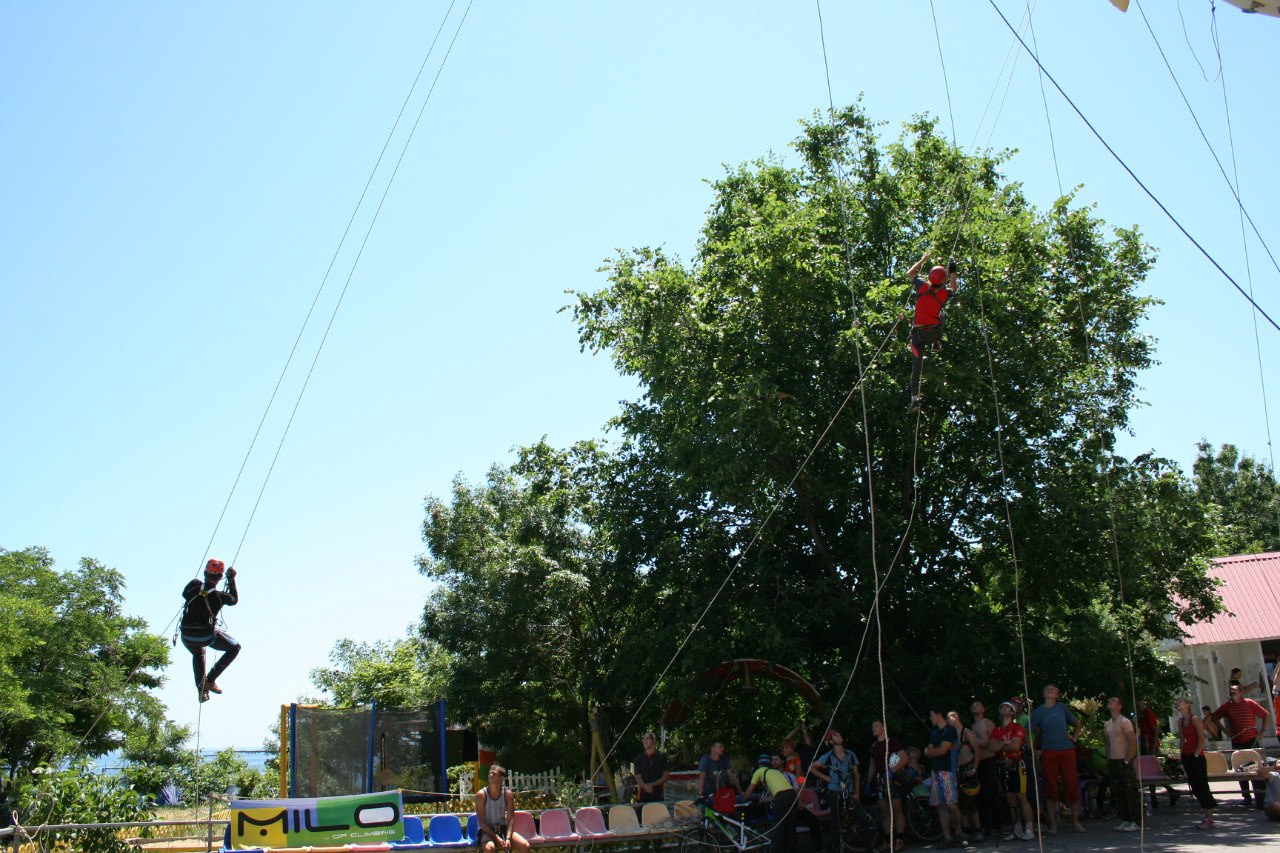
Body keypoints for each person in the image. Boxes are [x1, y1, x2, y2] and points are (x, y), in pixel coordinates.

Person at [902, 251, 958, 411]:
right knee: (943, 314)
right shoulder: (943, 294)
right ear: (943, 280)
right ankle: (936, 342)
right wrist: (953, 274)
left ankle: (914, 400)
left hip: (917, 336)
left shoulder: (923, 286)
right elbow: (953, 288)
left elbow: (910, 273)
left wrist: (923, 259)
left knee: (916, 369)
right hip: (933, 332)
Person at [180, 559, 240, 702]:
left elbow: (184, 594)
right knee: (235, 648)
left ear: (205, 573)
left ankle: (202, 691)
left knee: (198, 653)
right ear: (220, 578)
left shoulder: (193, 586)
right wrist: (231, 580)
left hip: (186, 635)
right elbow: (234, 600)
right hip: (205, 636)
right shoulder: (220, 597)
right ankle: (210, 680)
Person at [1029, 684, 1083, 834]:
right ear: (1043, 693)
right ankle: (1053, 824)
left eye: (1053, 689)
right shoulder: (1037, 712)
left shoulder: (1062, 707)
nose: (1050, 690)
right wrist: (1033, 748)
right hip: (1048, 751)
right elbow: (1031, 732)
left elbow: (1077, 723)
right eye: (1047, 689)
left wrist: (1075, 738)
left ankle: (1076, 822)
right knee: (1050, 785)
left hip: (1066, 749)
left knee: (1071, 783)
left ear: (1057, 695)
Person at [743, 754, 815, 853]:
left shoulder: (759, 771)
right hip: (792, 795)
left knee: (780, 828)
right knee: (790, 827)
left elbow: (749, 792)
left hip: (782, 797)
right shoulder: (775, 772)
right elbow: (783, 790)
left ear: (759, 764)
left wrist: (741, 800)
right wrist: (764, 799)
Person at [1213, 685, 1271, 807]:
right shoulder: (1227, 706)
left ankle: (1259, 796)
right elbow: (1214, 717)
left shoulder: (1249, 703)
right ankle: (1246, 796)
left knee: (1255, 767)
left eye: (1234, 691)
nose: (1232, 693)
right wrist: (1224, 730)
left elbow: (1266, 714)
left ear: (1240, 692)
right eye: (1230, 691)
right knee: (1239, 768)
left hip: (1251, 739)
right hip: (1237, 739)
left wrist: (1263, 730)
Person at [991, 701, 1034, 841]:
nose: (1004, 708)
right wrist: (1005, 743)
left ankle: (1029, 829)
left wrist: (1000, 745)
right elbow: (992, 748)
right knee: (1010, 798)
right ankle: (1017, 829)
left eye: (1007, 707)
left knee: (1022, 797)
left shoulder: (1017, 727)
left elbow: (1015, 746)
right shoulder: (996, 730)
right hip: (1003, 765)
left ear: (1012, 712)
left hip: (1017, 764)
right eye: (1001, 706)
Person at [1175, 697, 1217, 830]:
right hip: (1187, 755)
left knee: (1202, 786)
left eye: (1180, 701)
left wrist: (1195, 754)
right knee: (1195, 788)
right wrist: (1182, 755)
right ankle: (1206, 816)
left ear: (1187, 705)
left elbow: (1202, 738)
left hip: (1197, 756)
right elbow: (1182, 738)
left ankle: (1210, 818)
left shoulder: (1195, 719)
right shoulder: (1181, 721)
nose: (1177, 703)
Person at [924, 708, 963, 848]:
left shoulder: (950, 730)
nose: (930, 718)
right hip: (935, 772)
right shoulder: (934, 733)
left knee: (951, 804)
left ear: (939, 715)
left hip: (948, 771)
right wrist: (933, 751)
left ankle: (959, 832)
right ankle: (947, 837)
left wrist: (932, 751)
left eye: (931, 715)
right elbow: (927, 752)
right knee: (941, 805)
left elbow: (942, 750)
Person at [867, 721, 907, 853]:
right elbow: (872, 765)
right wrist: (868, 782)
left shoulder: (893, 742)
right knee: (885, 813)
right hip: (879, 782)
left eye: (876, 726)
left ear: (884, 727)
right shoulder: (874, 746)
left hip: (892, 780)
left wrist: (892, 771)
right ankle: (888, 842)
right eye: (872, 726)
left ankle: (900, 841)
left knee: (897, 810)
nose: (873, 728)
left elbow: (904, 759)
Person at [1103, 697, 1140, 832]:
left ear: (1119, 706)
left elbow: (1132, 742)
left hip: (1123, 760)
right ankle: (1125, 819)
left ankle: (1136, 821)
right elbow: (1107, 743)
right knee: (1118, 792)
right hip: (1113, 761)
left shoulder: (1125, 722)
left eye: (1113, 701)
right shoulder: (1107, 724)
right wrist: (1108, 758)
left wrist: (1127, 759)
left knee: (1130, 791)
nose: (1110, 702)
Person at [811, 729, 861, 828]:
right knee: (836, 820)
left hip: (849, 791)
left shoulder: (850, 754)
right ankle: (838, 841)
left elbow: (857, 776)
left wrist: (857, 794)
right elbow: (811, 768)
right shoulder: (828, 756)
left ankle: (853, 838)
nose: (839, 735)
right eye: (835, 735)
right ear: (831, 741)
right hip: (834, 791)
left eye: (839, 733)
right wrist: (825, 777)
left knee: (856, 817)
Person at [948, 711, 984, 842]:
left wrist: (974, 768)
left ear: (956, 717)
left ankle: (978, 830)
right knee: (962, 803)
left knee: (972, 802)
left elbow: (977, 750)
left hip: (969, 767)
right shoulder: (950, 735)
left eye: (949, 717)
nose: (948, 720)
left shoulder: (966, 732)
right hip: (958, 770)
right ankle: (966, 830)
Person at [969, 701, 1003, 840]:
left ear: (983, 709)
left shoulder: (987, 723)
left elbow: (994, 741)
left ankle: (996, 825)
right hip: (979, 763)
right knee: (980, 795)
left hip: (989, 760)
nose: (974, 706)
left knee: (992, 793)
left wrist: (977, 744)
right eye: (973, 705)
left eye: (977, 705)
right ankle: (985, 825)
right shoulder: (972, 726)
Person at [477, 765, 530, 853]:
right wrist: (496, 838)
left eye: (494, 774)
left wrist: (508, 838)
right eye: (489, 773)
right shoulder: (481, 795)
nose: (490, 775)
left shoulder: (507, 794)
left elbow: (510, 819)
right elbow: (482, 822)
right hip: (486, 831)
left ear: (501, 778)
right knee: (489, 848)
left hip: (503, 829)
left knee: (525, 845)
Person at [633, 732, 669, 803]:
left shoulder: (662, 756)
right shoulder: (638, 758)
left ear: (653, 741)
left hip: (658, 794)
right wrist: (645, 787)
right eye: (643, 739)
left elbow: (666, 775)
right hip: (643, 795)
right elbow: (637, 777)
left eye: (647, 738)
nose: (644, 741)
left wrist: (653, 784)